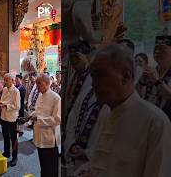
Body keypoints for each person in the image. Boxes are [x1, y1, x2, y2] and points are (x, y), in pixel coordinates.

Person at [82, 44, 171, 177]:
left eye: (100, 75)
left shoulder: (155, 122)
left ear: (126, 76)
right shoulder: (106, 114)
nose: (94, 83)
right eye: (93, 76)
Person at [31, 73, 61, 177]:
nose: (38, 87)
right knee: (43, 165)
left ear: (47, 83)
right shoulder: (40, 95)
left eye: (40, 84)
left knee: (51, 168)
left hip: (50, 139)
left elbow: (57, 119)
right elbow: (37, 111)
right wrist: (32, 116)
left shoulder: (55, 98)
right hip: (39, 136)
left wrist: (39, 119)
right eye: (37, 84)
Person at [136, 44, 171, 117]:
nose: (157, 51)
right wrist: (141, 82)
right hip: (145, 116)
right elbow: (137, 96)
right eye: (155, 49)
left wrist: (157, 81)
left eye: (162, 49)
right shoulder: (150, 71)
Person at [0, 73, 21, 167]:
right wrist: (2, 104)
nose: (5, 82)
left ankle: (15, 157)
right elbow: (2, 100)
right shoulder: (4, 89)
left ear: (12, 80)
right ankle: (7, 152)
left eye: (7, 80)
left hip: (12, 118)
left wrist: (5, 105)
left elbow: (17, 106)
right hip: (4, 116)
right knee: (5, 136)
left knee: (13, 139)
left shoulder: (16, 91)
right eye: (4, 80)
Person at [66, 40, 92, 115]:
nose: (73, 60)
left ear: (85, 57)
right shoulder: (72, 76)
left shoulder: (92, 76)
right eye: (71, 57)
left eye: (77, 57)